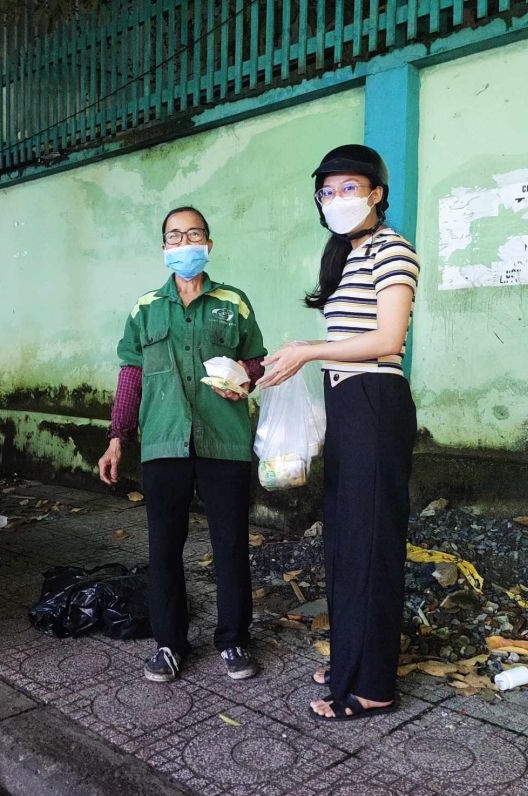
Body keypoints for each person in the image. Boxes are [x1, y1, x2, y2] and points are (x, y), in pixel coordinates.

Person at [257, 145, 420, 720]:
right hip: (348, 402)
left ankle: (372, 685)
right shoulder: (346, 256)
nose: (337, 199)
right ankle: (351, 657)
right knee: (347, 539)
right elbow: (345, 338)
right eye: (327, 192)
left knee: (371, 541)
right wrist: (296, 355)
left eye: (350, 188)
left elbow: (388, 340)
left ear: (376, 193)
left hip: (375, 400)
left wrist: (310, 350)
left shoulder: (392, 249)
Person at [98, 206, 267, 683]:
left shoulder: (233, 302)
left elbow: (256, 361)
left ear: (208, 244)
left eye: (194, 234)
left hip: (225, 440)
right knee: (164, 548)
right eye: (175, 236)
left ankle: (233, 640)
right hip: (163, 441)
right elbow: (131, 374)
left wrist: (245, 378)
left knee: (230, 545)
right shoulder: (146, 308)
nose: (184, 242)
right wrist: (117, 437)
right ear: (164, 247)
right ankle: (169, 643)